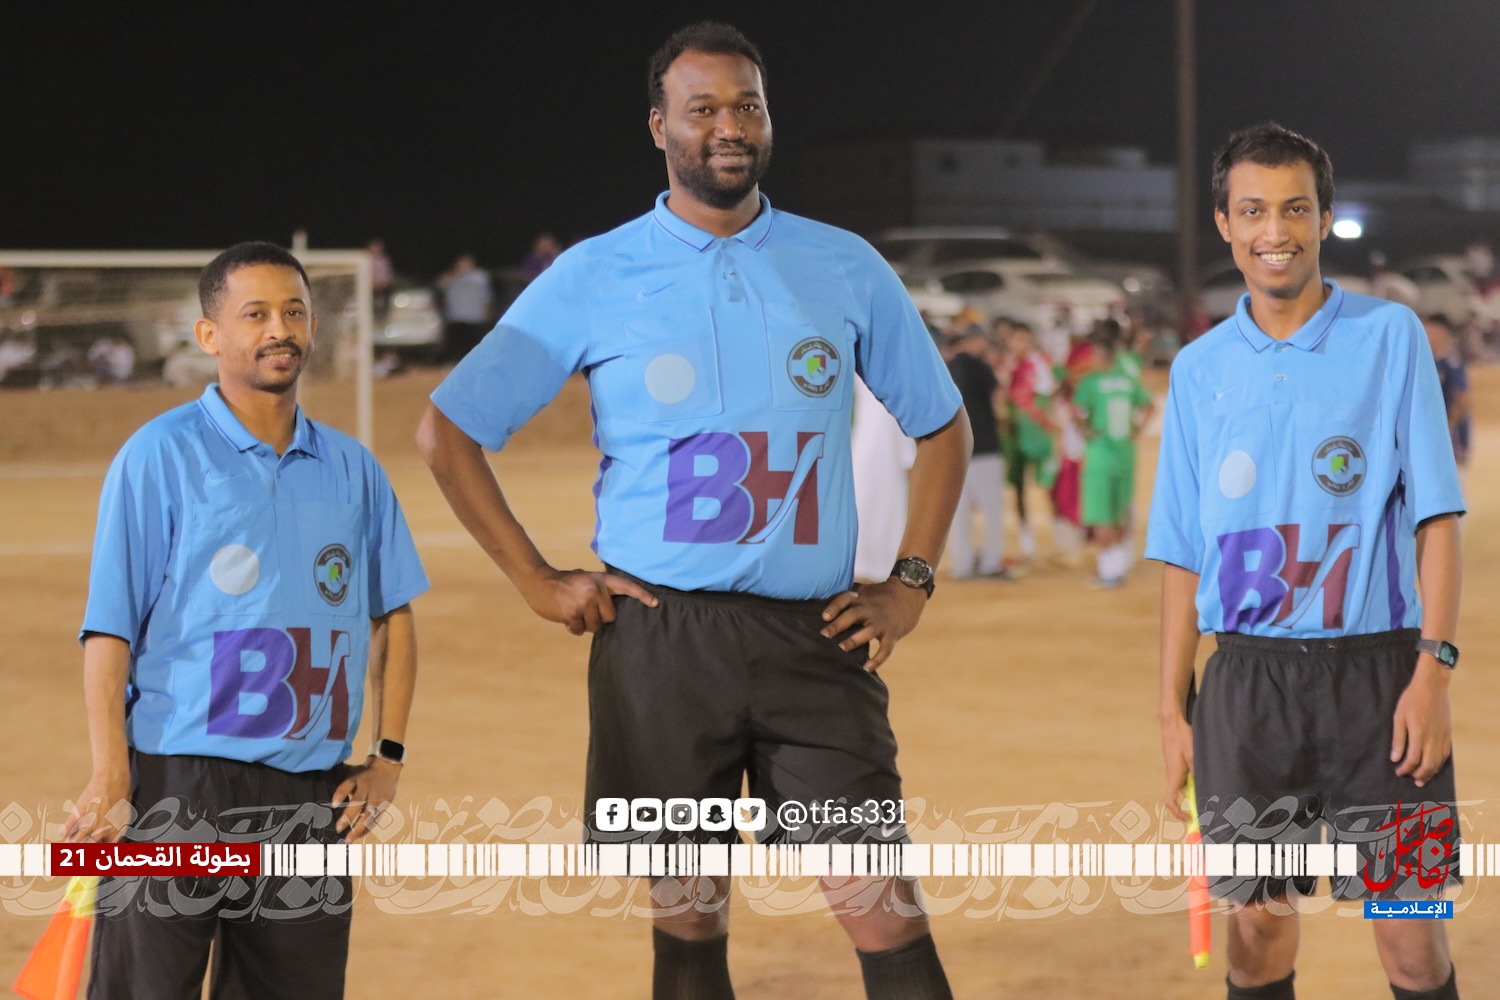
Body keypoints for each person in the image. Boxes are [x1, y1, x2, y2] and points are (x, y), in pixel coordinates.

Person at [416, 22, 968, 1000]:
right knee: (689, 921)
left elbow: (944, 428)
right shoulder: (595, 273)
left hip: (816, 639)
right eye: (703, 108)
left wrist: (911, 582)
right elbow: (447, 432)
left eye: (748, 106)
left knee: (886, 913)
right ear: (658, 126)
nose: (729, 126)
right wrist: (536, 580)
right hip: (661, 646)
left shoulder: (842, 264)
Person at [1148, 124, 1464, 1000]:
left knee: (1411, 939)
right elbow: (1181, 554)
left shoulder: (1390, 335)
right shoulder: (1198, 370)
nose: (1274, 231)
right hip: (1247, 691)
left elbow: (1437, 518)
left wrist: (1433, 674)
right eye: (1252, 211)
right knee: (1256, 933)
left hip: (1380, 681)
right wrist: (1173, 710)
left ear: (1324, 218)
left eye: (1295, 209)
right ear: (1224, 223)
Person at [63, 242, 429, 1000]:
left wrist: (387, 756)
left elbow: (393, 617)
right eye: (255, 314)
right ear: (209, 335)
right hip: (177, 784)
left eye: (294, 312)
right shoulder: (158, 455)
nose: (279, 330)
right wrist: (110, 770)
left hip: (311, 794)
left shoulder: (354, 469)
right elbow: (110, 630)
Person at [1073, 333, 1152, 587]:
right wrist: (1136, 431)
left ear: (1100, 357)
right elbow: (1149, 406)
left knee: (1101, 512)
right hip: (1126, 453)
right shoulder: (1128, 381)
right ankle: (1119, 563)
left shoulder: (1091, 382)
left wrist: (1085, 430)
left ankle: (1108, 570)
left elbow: (1077, 412)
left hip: (1101, 453)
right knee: (1121, 509)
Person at [945, 328, 1010, 579]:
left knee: (959, 512)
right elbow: (999, 399)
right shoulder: (979, 367)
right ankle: (991, 563)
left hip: (955, 449)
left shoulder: (946, 368)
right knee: (992, 510)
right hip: (984, 446)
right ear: (973, 341)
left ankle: (962, 564)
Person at [1424, 314, 1471, 469]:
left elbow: (1462, 400)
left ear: (1441, 332)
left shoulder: (1451, 362)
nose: (1427, 334)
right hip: (1435, 437)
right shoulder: (1428, 360)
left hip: (1451, 440)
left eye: (1430, 330)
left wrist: (1449, 426)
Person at [437, 253, 492, 362]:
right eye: (462, 262)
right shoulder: (450, 277)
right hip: (456, 318)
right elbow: (440, 286)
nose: (464, 265)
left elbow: (486, 297)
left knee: (474, 345)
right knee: (457, 346)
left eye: (467, 262)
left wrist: (487, 314)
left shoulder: (480, 276)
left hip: (475, 318)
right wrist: (456, 274)